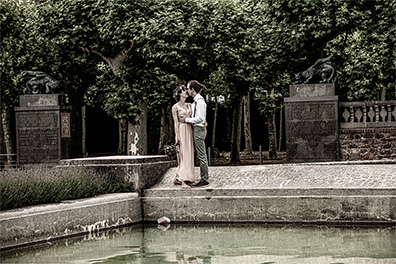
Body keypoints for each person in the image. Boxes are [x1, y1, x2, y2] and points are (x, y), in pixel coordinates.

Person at [181, 80, 209, 187]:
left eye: (188, 88)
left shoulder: (200, 102)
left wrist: (187, 120)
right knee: (200, 154)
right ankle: (203, 177)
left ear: (192, 89)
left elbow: (200, 118)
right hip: (197, 128)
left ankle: (204, 178)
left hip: (198, 130)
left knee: (201, 155)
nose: (187, 90)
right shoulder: (195, 102)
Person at [172, 85, 195, 188]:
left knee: (188, 154)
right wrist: (177, 136)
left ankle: (178, 177)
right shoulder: (175, 107)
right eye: (184, 90)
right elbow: (176, 123)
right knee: (182, 154)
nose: (186, 92)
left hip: (189, 130)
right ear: (180, 94)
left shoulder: (189, 105)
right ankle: (183, 181)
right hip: (181, 130)